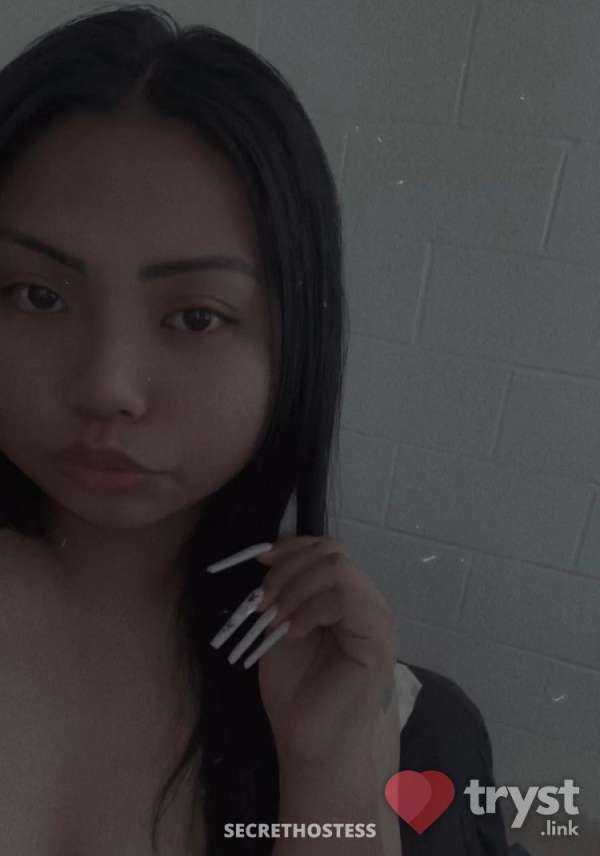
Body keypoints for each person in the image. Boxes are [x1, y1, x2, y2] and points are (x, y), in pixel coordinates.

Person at [0, 4, 510, 854]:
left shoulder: (381, 713)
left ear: (293, 343)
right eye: (38, 296)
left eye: (196, 316)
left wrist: (331, 763)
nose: (106, 386)